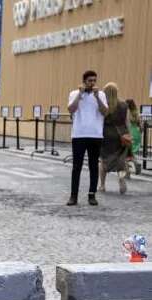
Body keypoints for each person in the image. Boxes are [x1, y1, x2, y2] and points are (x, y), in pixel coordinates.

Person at [66, 71, 107, 206]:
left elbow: (105, 112)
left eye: (94, 80)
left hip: (95, 135)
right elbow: (71, 109)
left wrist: (97, 97)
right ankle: (73, 196)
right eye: (90, 81)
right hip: (79, 134)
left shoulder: (101, 94)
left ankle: (92, 195)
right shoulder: (74, 93)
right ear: (84, 81)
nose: (92, 83)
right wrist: (80, 94)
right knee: (76, 166)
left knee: (93, 166)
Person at [98, 83, 130, 194]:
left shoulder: (103, 105)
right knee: (121, 160)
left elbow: (99, 120)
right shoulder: (123, 105)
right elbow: (126, 121)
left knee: (103, 161)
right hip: (121, 135)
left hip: (106, 135)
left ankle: (102, 185)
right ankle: (121, 179)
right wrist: (128, 134)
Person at [126, 99, 142, 176]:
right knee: (130, 152)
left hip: (129, 132)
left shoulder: (127, 112)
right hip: (136, 133)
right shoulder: (136, 112)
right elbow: (140, 125)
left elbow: (126, 123)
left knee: (125, 152)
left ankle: (127, 172)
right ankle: (136, 163)